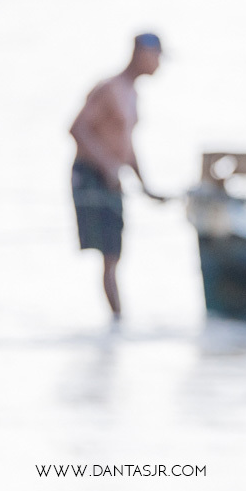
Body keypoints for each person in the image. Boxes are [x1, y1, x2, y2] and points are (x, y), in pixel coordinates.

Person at [69, 32, 168, 320]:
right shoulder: (109, 88)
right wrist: (107, 166)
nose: (159, 64)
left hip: (113, 178)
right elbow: (77, 128)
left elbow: (126, 145)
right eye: (157, 56)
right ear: (141, 53)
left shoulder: (133, 93)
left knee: (115, 253)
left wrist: (146, 186)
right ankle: (117, 322)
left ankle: (117, 324)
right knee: (109, 256)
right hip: (91, 176)